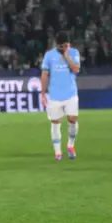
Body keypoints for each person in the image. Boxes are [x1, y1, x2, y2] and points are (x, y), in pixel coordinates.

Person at [40, 31, 80, 160]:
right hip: (54, 94)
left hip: (70, 93)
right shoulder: (49, 55)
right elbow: (45, 75)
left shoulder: (74, 53)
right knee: (55, 122)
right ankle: (58, 152)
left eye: (67, 45)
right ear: (57, 45)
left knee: (72, 119)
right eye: (62, 46)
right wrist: (42, 93)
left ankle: (70, 145)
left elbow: (76, 69)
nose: (65, 48)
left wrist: (67, 56)